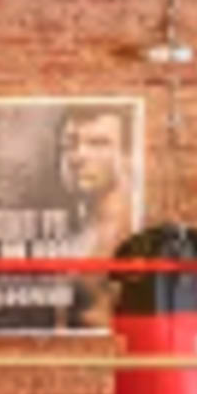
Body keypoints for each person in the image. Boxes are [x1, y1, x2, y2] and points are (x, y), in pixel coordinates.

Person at [57, 104, 142, 335]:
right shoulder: (79, 225)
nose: (78, 157)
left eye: (98, 143)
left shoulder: (128, 234)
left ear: (127, 156)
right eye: (69, 144)